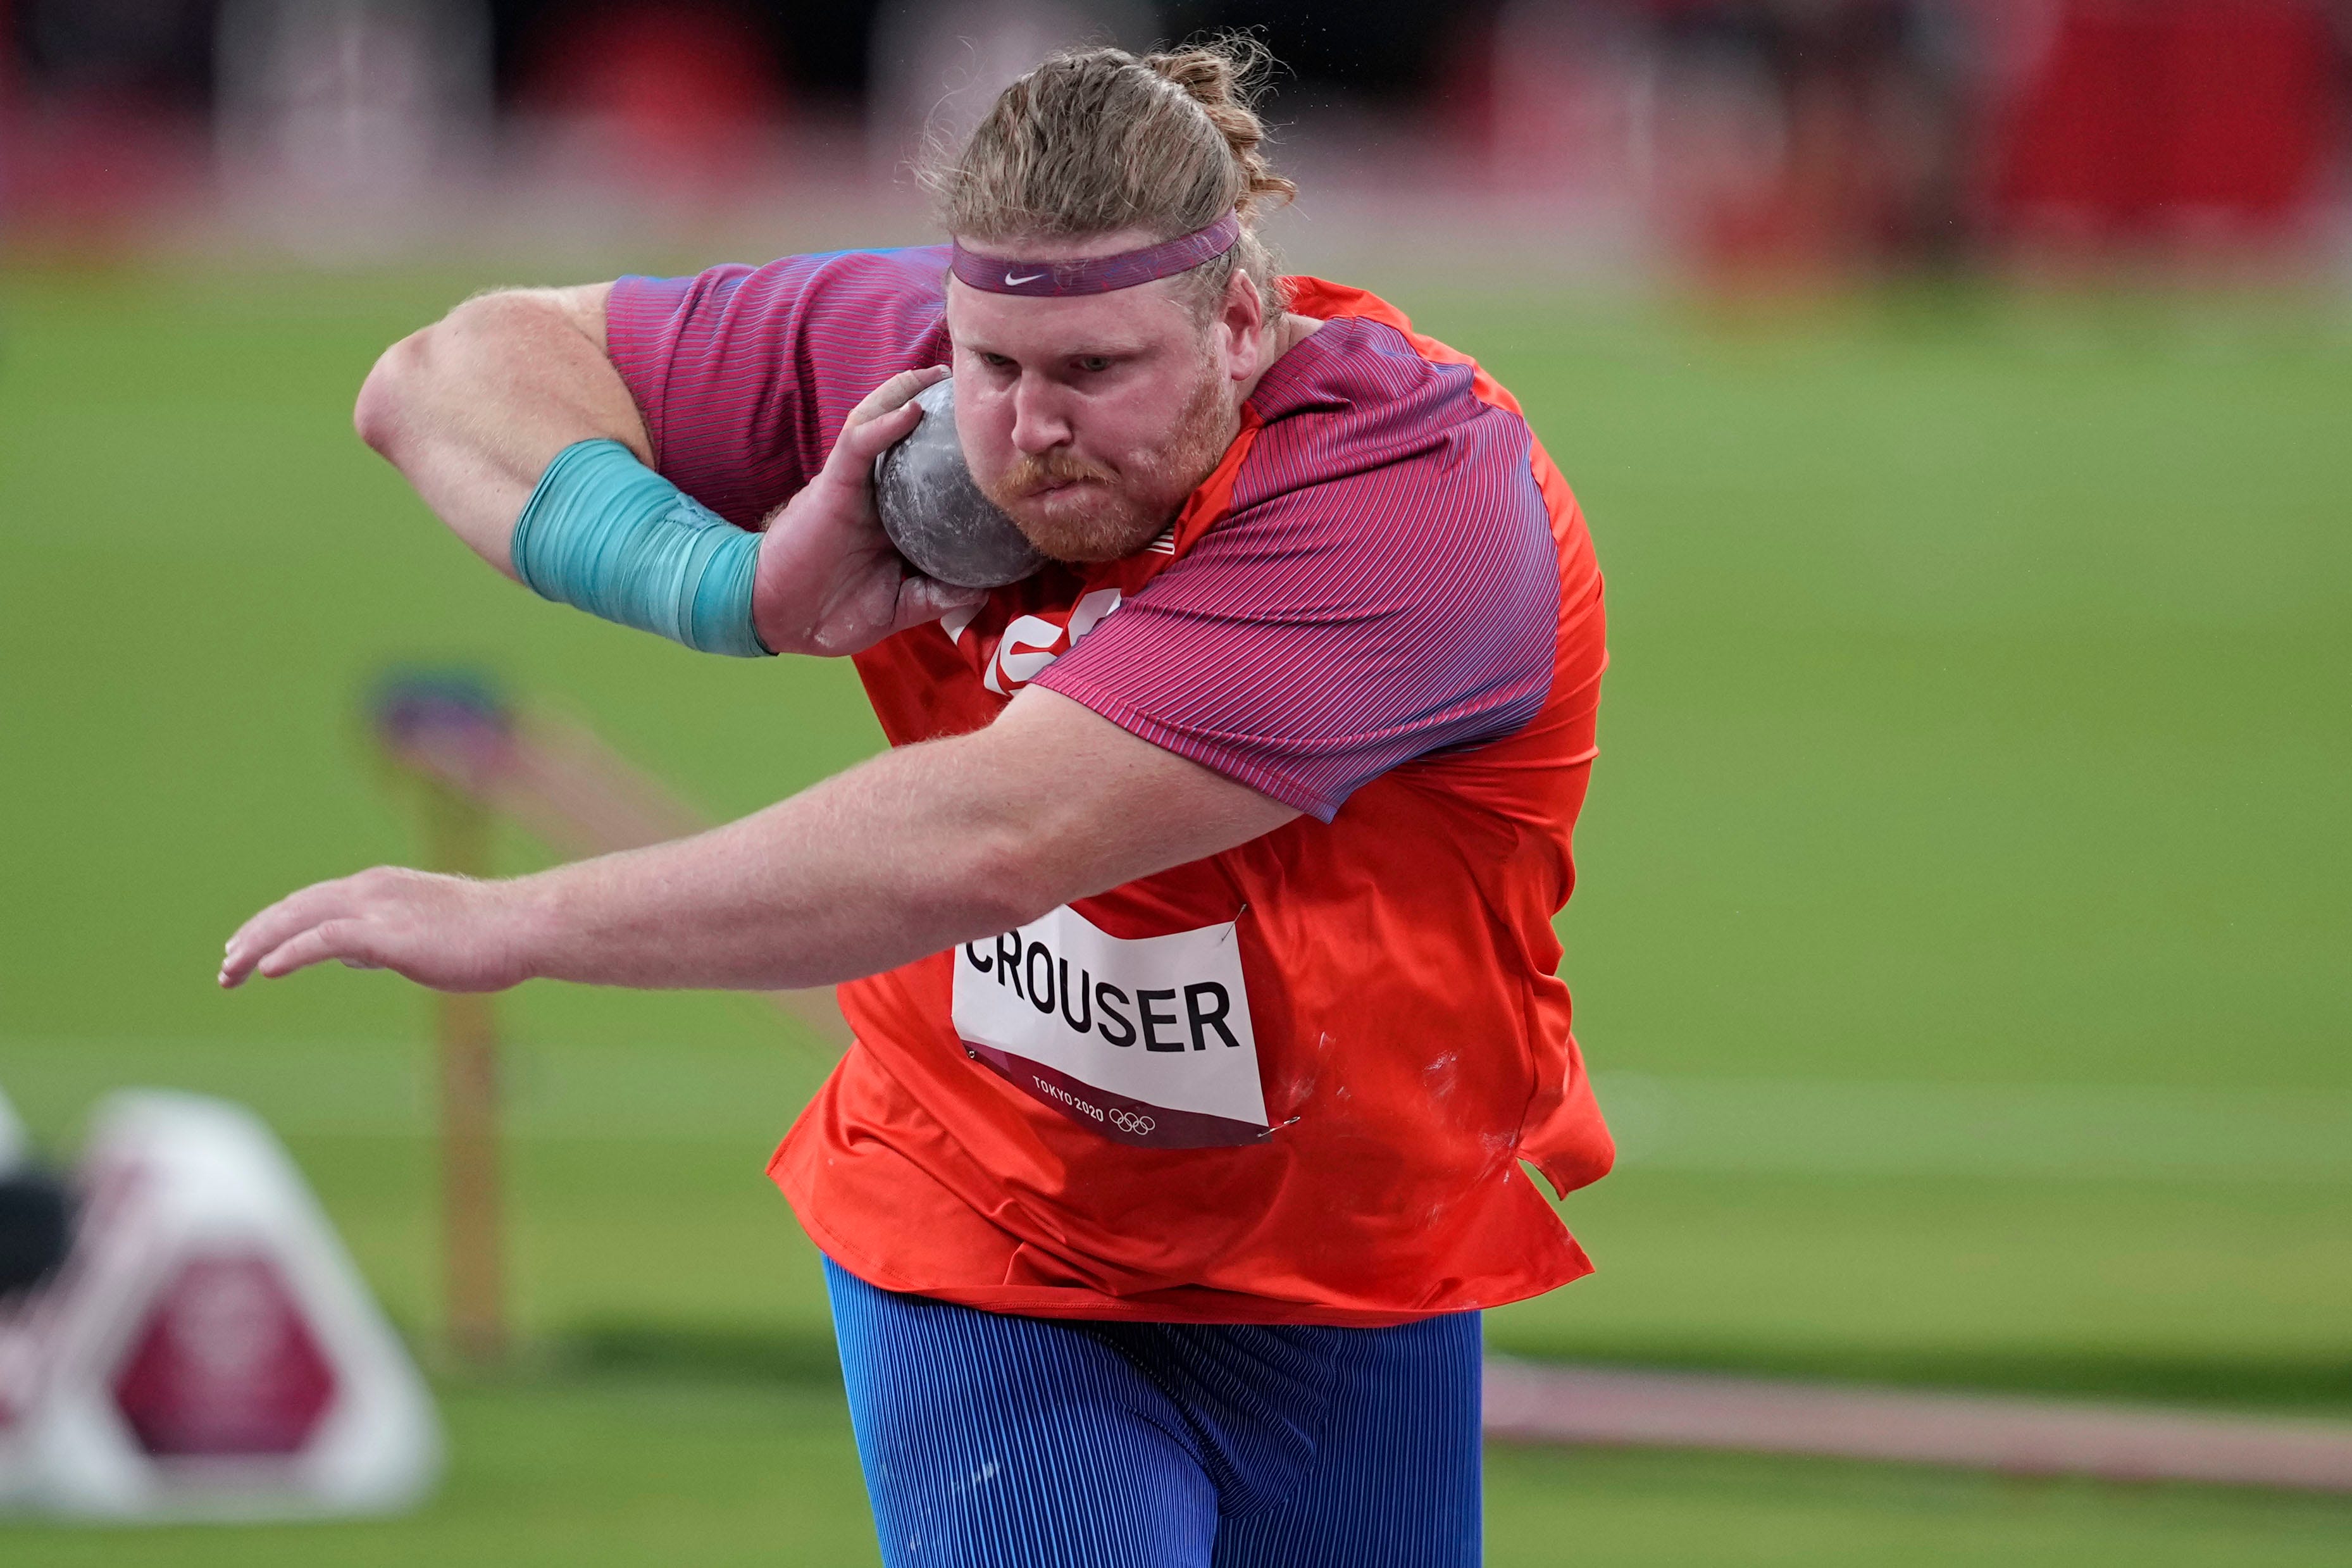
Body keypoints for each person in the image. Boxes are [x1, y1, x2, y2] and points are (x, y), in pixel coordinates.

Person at [221, 40, 1611, 1568]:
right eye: (993, 366)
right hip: (980, 1214)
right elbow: (439, 380)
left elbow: (995, 841)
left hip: (1353, 1259)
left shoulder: (1413, 504)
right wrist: (728, 582)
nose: (1026, 430)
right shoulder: (901, 368)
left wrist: (524, 921)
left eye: (1094, 371)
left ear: (1234, 321)